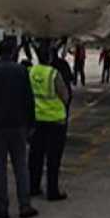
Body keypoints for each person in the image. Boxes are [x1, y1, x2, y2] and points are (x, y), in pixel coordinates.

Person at [0, 37, 39, 218]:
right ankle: (25, 206)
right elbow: (29, 100)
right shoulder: (21, 71)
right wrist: (31, 123)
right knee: (20, 166)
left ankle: (2, 207)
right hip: (18, 126)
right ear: (13, 52)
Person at [28, 41, 70, 201]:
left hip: (37, 120)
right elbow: (64, 96)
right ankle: (52, 191)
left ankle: (33, 187)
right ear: (51, 58)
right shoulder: (53, 74)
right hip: (55, 122)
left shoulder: (31, 72)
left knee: (35, 156)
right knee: (53, 159)